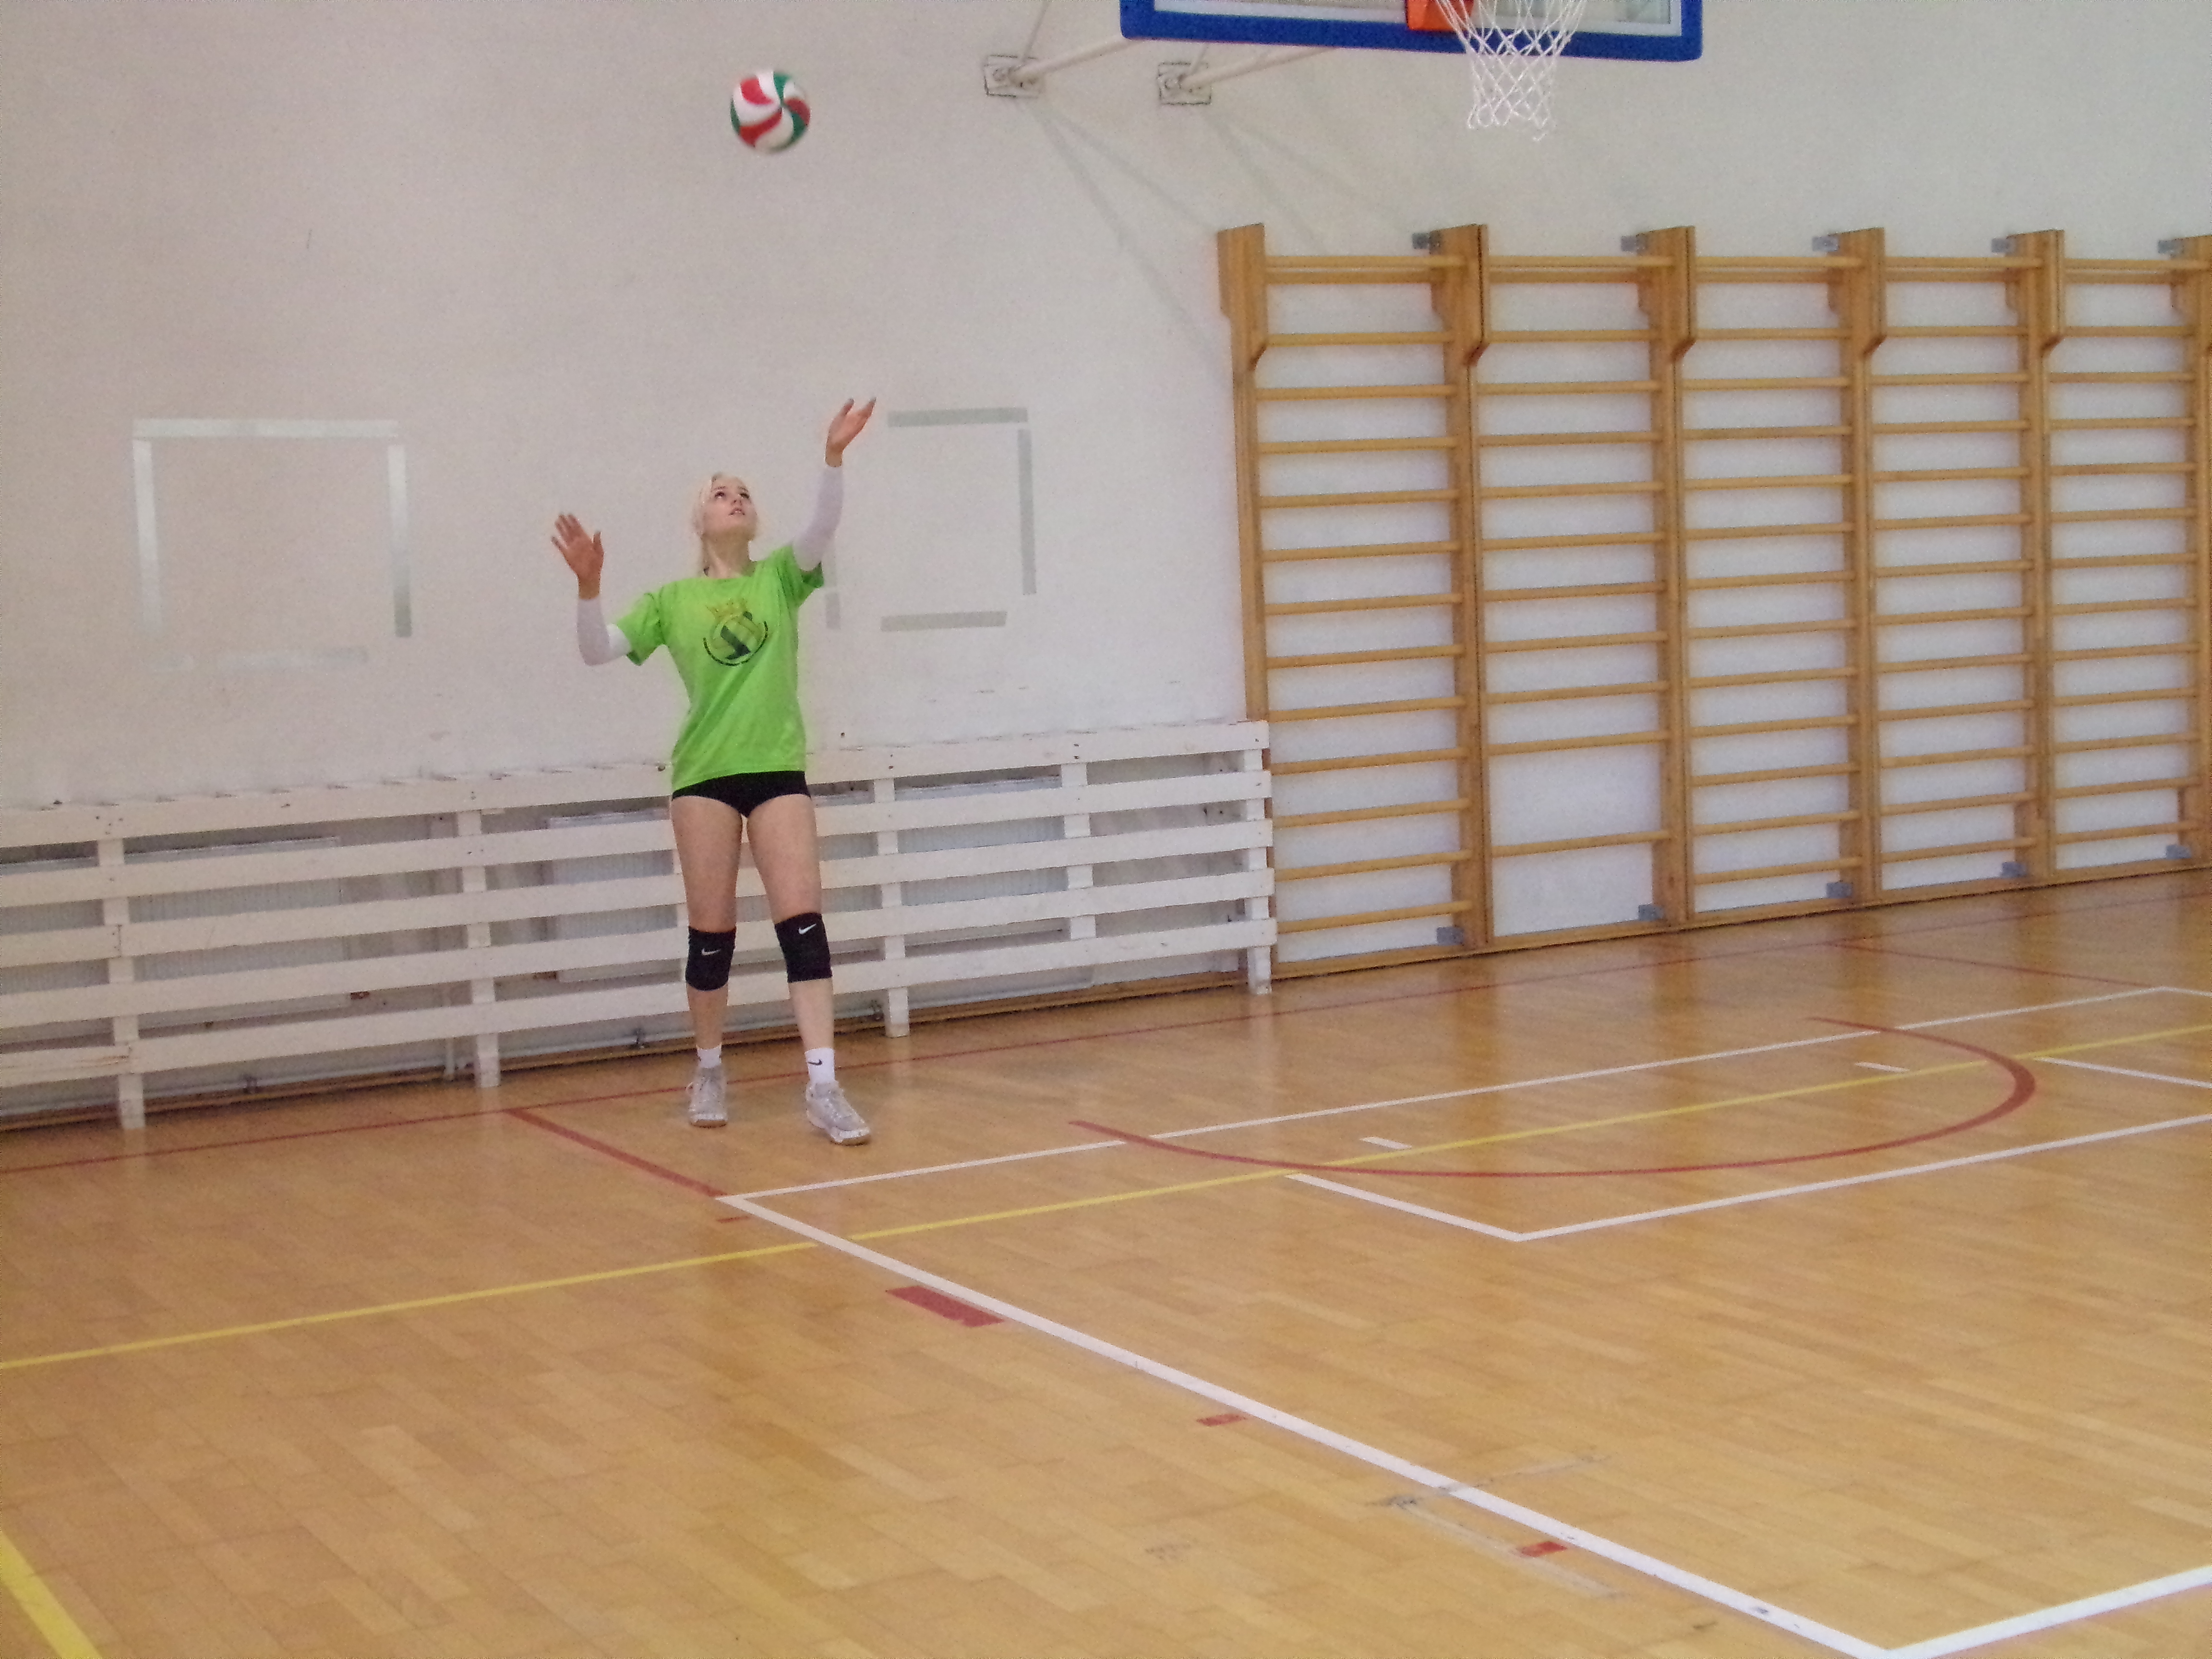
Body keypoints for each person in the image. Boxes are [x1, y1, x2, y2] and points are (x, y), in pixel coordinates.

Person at [551, 399, 876, 1141]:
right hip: (703, 777)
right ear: (698, 520)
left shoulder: (780, 579)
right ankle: (708, 1068)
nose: (734, 498)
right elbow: (597, 651)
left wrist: (832, 458)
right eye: (719, 493)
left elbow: (823, 527)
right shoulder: (671, 601)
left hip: (775, 768)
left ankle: (824, 1085)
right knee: (712, 936)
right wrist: (588, 587)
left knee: (804, 927)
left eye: (744, 493)